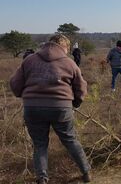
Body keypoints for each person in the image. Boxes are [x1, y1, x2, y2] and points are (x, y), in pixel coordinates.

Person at [9, 34, 91, 184]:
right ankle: (86, 173)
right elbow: (81, 87)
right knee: (70, 140)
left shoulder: (29, 60)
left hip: (33, 108)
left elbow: (15, 84)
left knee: (40, 144)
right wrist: (76, 103)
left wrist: (26, 96)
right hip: (61, 107)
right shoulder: (69, 63)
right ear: (64, 47)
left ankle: (42, 179)